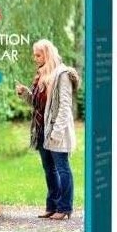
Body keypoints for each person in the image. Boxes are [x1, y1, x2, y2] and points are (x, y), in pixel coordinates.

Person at [15, 39, 80, 220]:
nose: (35, 58)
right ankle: (52, 206)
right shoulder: (41, 76)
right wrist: (26, 93)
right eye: (34, 55)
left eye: (38, 55)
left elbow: (65, 107)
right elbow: (38, 105)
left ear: (48, 54)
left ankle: (65, 208)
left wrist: (56, 133)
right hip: (41, 130)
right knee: (49, 169)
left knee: (62, 168)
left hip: (56, 131)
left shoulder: (62, 75)